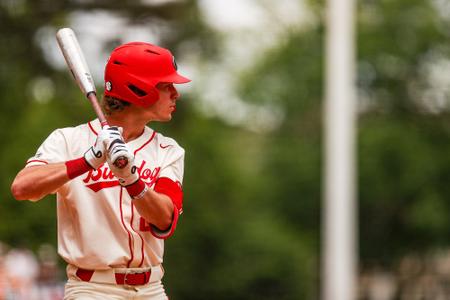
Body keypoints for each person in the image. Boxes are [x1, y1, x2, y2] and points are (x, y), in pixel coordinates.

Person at [11, 41, 190, 300]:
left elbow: (164, 220)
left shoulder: (167, 149)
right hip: (92, 288)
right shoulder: (68, 140)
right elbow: (22, 187)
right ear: (139, 88)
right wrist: (87, 161)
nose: (176, 93)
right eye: (166, 86)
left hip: (152, 288)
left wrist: (133, 181)